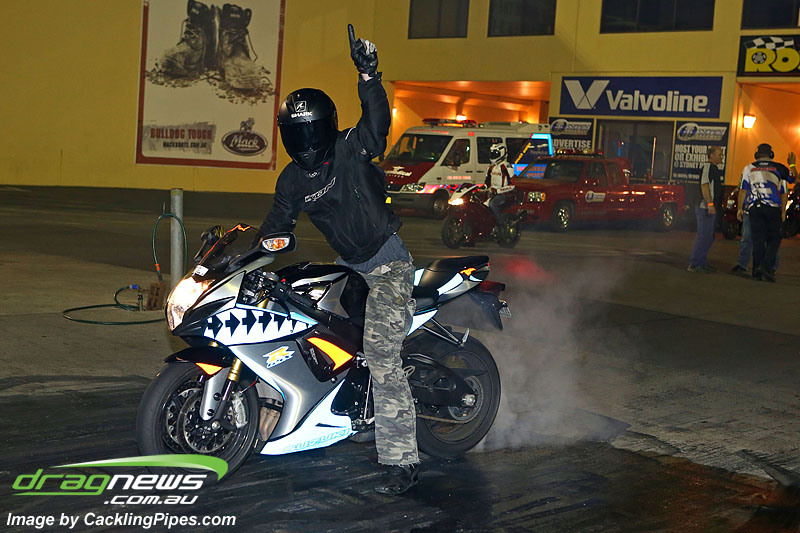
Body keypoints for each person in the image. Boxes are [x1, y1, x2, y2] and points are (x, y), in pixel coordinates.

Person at [256, 24, 420, 494]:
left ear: (327, 127)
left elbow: (377, 125)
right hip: (347, 267)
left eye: (312, 130)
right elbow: (275, 228)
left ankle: (402, 460)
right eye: (297, 133)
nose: (306, 141)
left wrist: (369, 77)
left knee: (382, 355)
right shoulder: (292, 180)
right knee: (298, 322)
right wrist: (247, 255)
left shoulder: (351, 148)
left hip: (388, 265)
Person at [731, 151, 795, 276]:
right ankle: (768, 268)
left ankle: (753, 267)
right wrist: (782, 211)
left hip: (752, 209)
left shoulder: (749, 168)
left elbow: (743, 191)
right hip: (769, 210)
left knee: (752, 240)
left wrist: (740, 208)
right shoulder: (778, 169)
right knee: (771, 241)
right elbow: (785, 191)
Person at [687, 146, 724, 273]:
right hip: (705, 208)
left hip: (710, 208)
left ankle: (701, 262)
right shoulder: (708, 167)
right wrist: (710, 204)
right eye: (719, 154)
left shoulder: (714, 169)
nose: (721, 157)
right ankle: (695, 264)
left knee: (709, 236)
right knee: (704, 235)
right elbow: (705, 186)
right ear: (711, 155)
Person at [484, 141, 515, 227]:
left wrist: (498, 191)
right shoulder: (491, 167)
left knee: (492, 204)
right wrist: (486, 188)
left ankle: (500, 224)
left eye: (495, 154)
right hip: (492, 193)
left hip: (504, 194)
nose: (492, 156)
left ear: (502, 153)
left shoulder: (506, 167)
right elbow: (487, 181)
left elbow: (512, 185)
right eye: (492, 153)